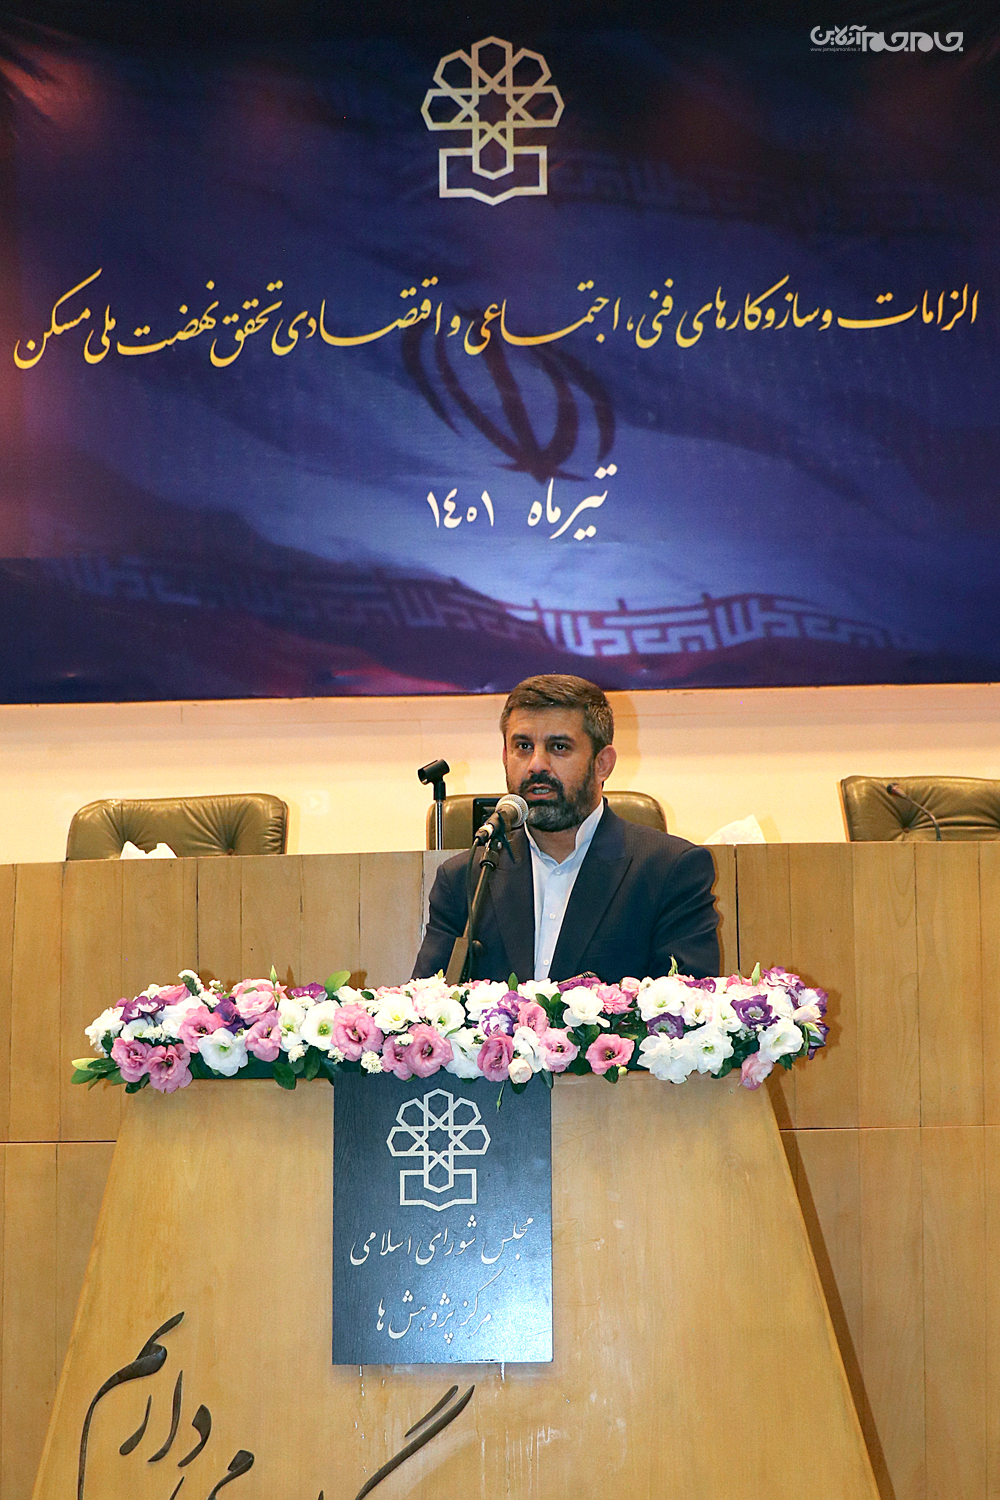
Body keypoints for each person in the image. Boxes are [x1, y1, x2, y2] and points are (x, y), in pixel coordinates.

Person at [412, 675, 721, 984]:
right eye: (523, 746)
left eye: (559, 747)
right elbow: (429, 1003)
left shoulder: (671, 872)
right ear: (506, 757)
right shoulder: (466, 879)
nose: (536, 765)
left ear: (602, 764)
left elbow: (684, 1004)